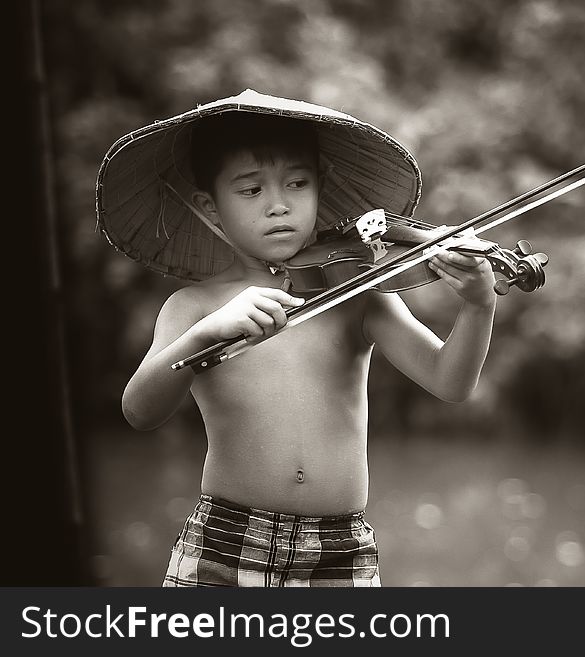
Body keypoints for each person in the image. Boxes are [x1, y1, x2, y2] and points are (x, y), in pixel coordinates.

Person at [96, 89, 498, 587]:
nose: (279, 205)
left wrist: (479, 305)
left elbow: (449, 382)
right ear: (210, 206)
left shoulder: (355, 290)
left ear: (320, 189)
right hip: (225, 542)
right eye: (251, 191)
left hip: (339, 551)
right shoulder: (193, 308)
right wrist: (207, 334)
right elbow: (139, 410)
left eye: (297, 184)